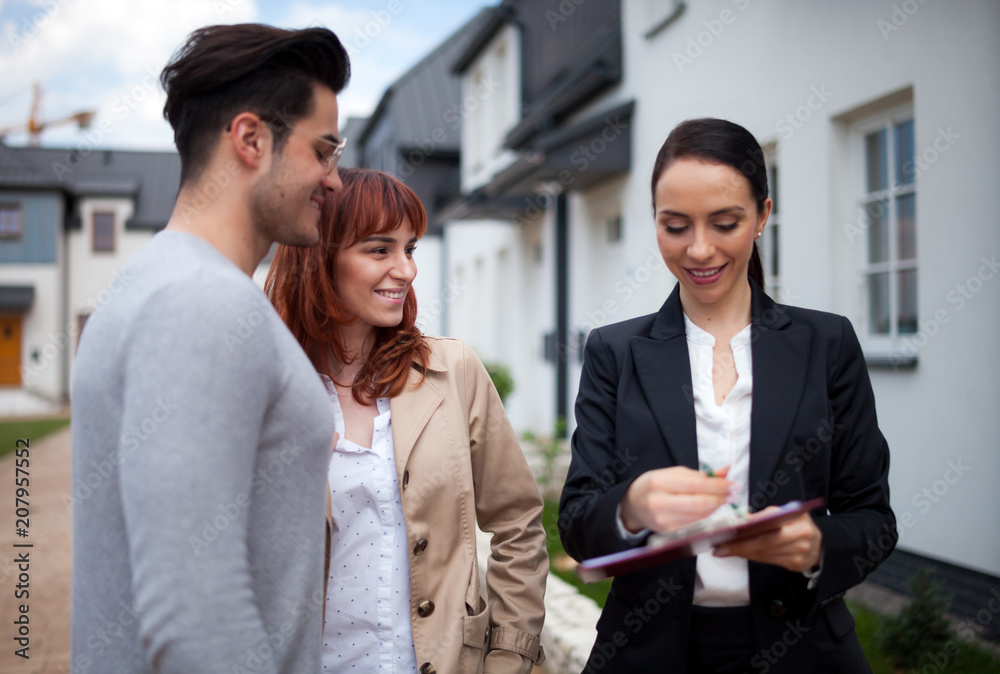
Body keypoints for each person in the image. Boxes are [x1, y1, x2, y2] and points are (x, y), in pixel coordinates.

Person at [558, 118, 896, 673]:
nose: (698, 249)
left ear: (762, 215)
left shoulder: (827, 344)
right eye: (675, 226)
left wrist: (816, 547)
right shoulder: (613, 352)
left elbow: (872, 518)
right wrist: (632, 505)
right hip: (650, 652)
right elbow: (576, 523)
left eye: (724, 223)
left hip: (802, 650)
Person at [70, 24, 349, 673]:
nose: (334, 181)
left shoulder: (163, 283)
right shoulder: (202, 302)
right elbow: (196, 612)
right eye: (324, 150)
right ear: (252, 139)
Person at [265, 167, 548, 674]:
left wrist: (509, 656)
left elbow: (518, 524)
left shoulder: (453, 370)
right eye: (380, 250)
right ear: (319, 256)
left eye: (410, 249)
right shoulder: (264, 391)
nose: (406, 270)